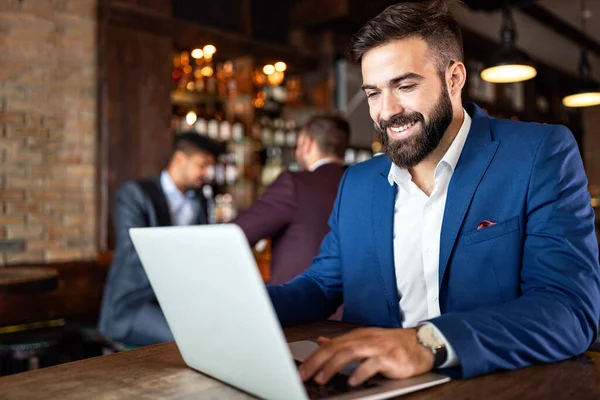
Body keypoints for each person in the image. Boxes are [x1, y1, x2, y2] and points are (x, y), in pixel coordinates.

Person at [267, 0, 600, 386]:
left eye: (405, 85)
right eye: (373, 92)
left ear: (454, 78)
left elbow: (569, 310)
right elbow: (322, 286)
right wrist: (239, 305)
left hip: (499, 389)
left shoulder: (539, 153)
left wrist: (427, 344)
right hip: (375, 389)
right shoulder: (356, 183)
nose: (386, 110)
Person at [99, 132, 224, 347]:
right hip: (134, 305)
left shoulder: (201, 200)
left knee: (221, 332)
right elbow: (134, 252)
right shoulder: (135, 194)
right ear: (179, 159)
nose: (206, 173)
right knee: (192, 342)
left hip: (178, 304)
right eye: (202, 165)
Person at [234, 114, 350, 285]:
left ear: (307, 144)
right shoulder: (359, 186)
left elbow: (237, 234)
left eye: (298, 144)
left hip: (300, 305)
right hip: (353, 308)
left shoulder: (294, 185)